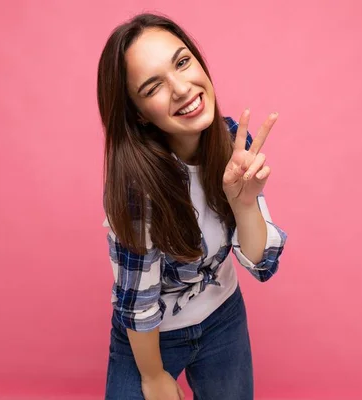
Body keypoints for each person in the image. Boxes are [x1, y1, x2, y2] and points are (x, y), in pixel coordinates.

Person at [96, 12, 288, 400]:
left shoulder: (232, 140)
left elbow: (262, 265)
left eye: (182, 62)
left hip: (223, 320)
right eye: (153, 87)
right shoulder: (138, 188)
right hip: (151, 337)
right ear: (137, 113)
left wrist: (246, 205)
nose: (182, 89)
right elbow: (139, 299)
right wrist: (152, 376)